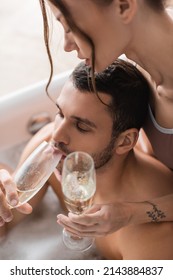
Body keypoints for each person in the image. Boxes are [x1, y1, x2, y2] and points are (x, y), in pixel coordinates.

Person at [1, 60, 173, 260]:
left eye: (81, 126)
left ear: (125, 141)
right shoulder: (51, 152)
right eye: (60, 113)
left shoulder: (151, 238)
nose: (57, 135)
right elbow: (6, 225)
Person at [37, 0, 173, 236]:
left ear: (123, 6)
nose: (68, 45)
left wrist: (132, 212)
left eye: (69, 26)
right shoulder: (142, 64)